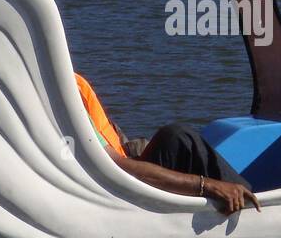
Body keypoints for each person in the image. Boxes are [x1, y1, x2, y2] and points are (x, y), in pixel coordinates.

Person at [74, 73, 260, 216]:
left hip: (119, 165)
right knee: (179, 138)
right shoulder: (65, 97)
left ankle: (244, 197)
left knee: (170, 140)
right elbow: (114, 166)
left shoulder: (66, 87)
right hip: (119, 189)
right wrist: (208, 185)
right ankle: (254, 209)